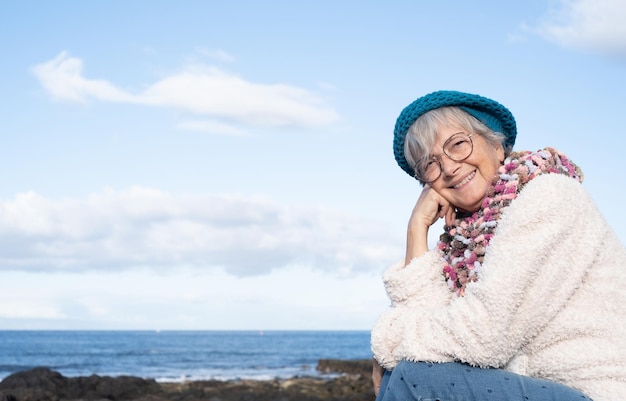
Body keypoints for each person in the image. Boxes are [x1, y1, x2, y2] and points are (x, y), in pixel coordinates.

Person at [370, 90, 626, 401]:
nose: (449, 168)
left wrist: (386, 342)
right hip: (535, 386)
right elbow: (432, 331)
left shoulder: (548, 196)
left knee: (412, 377)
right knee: (406, 369)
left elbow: (483, 337)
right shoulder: (463, 241)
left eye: (458, 144)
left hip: (595, 391)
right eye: (430, 165)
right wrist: (416, 229)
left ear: (496, 143)